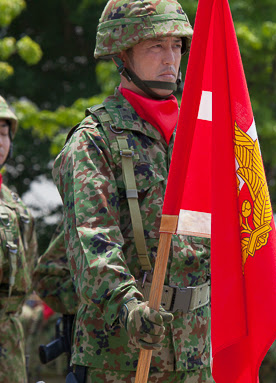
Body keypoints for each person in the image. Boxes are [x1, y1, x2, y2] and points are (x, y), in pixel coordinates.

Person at [51, 1, 212, 382]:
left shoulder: (198, 136)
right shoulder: (95, 141)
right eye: (155, 46)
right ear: (123, 54)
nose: (171, 58)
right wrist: (130, 307)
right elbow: (93, 243)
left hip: (196, 351)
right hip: (124, 355)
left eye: (176, 46)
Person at [0, 95, 38, 383]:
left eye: (3, 133)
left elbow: (31, 271)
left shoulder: (15, 206)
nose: (0, 141)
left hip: (9, 341)